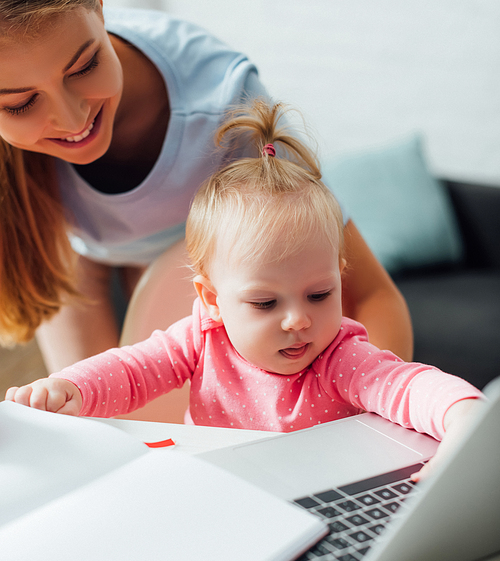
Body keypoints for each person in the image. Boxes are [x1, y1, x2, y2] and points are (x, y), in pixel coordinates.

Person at [6, 99, 483, 481]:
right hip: (216, 488)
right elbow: (130, 371)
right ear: (212, 300)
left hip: (311, 498)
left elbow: (406, 385)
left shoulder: (339, 355)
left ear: (339, 275)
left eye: (320, 295)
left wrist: (463, 416)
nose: (299, 320)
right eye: (265, 303)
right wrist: (69, 388)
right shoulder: (200, 338)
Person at [0, 0, 412, 397]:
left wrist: (367, 413)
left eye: (85, 66)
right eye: (20, 104)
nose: (73, 120)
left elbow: (372, 295)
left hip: (190, 269)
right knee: (94, 426)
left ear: (101, 8)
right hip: (73, 264)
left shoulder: (226, 104)